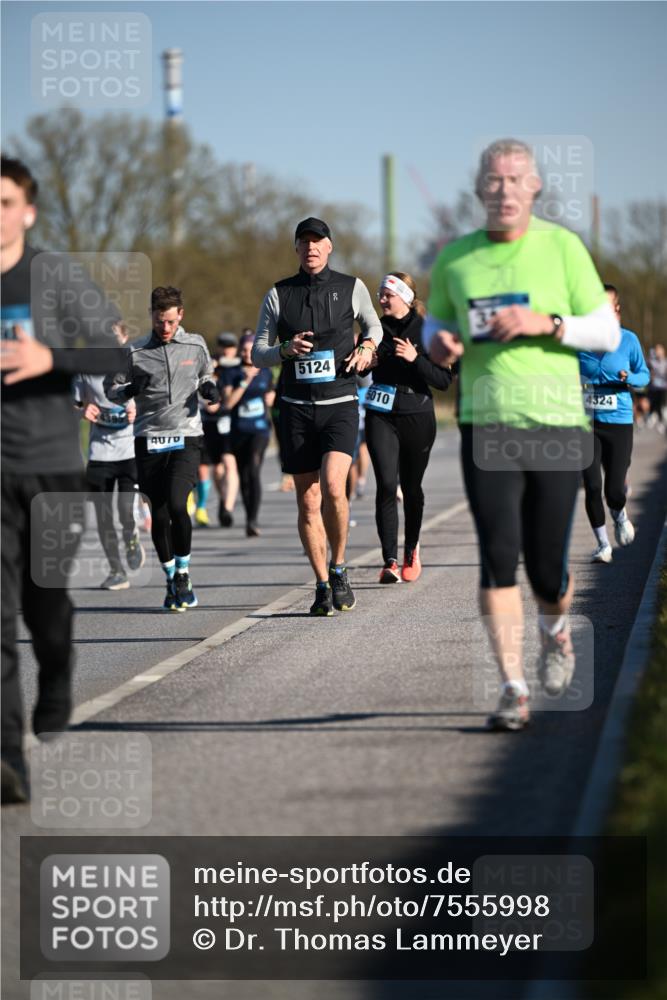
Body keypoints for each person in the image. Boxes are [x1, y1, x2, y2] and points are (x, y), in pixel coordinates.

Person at [425, 138, 620, 731]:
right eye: (494, 179)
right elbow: (437, 319)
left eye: (516, 179)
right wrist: (439, 340)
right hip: (487, 423)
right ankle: (513, 688)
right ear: (479, 189)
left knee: (547, 570)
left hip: (558, 423)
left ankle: (555, 630)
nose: (504, 189)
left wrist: (549, 323)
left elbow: (607, 333)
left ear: (535, 187)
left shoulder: (562, 248)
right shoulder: (456, 258)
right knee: (497, 557)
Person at [1, 156, 126, 803]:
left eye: (4, 203)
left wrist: (51, 357)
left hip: (49, 470)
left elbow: (114, 351)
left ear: (28, 211)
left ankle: (57, 670)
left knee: (43, 606)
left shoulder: (52, 275)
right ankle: (7, 765)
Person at [252, 216, 382, 615]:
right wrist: (285, 351)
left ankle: (340, 565)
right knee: (308, 502)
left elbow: (374, 326)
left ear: (329, 247)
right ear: (295, 249)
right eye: (303, 242)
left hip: (340, 404)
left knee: (333, 487)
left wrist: (367, 349)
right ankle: (323, 584)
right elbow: (258, 353)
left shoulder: (352, 286)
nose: (311, 248)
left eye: (317, 242)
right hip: (295, 410)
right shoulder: (278, 294)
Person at [105, 286, 219, 612]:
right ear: (152, 318)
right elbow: (111, 391)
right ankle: (170, 578)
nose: (165, 328)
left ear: (180, 315)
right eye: (159, 321)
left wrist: (208, 387)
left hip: (186, 435)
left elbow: (205, 372)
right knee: (158, 512)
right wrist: (129, 389)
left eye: (169, 321)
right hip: (148, 437)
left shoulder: (195, 344)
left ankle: (183, 573)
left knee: (178, 503)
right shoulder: (135, 351)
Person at [365, 272, 453, 583]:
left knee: (412, 488)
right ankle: (389, 560)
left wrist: (416, 359)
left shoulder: (428, 330)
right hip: (380, 414)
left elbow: (443, 380)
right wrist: (364, 362)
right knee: (387, 485)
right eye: (379, 294)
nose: (381, 299)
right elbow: (355, 362)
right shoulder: (373, 329)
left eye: (387, 294)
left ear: (405, 297)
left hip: (417, 414)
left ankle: (411, 549)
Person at [579, 284, 649, 563]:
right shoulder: (580, 342)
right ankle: (602, 544)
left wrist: (628, 378)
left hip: (619, 422)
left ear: (616, 310)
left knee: (615, 490)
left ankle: (619, 514)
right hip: (586, 423)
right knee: (592, 485)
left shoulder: (629, 341)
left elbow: (644, 376)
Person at [74, 322, 146, 589]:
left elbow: (155, 396)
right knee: (103, 516)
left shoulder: (136, 363)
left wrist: (138, 409)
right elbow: (74, 401)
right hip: (99, 452)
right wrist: (82, 409)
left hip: (129, 450)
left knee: (124, 510)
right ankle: (117, 571)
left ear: (124, 338)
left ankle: (131, 535)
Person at [225, 331, 274, 536]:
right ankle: (249, 518)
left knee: (253, 469)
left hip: (260, 430)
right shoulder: (232, 373)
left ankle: (253, 520)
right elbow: (228, 403)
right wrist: (244, 382)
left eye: (250, 350)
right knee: (244, 477)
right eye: (243, 350)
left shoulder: (265, 371)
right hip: (238, 432)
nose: (246, 353)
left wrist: (270, 396)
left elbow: (270, 397)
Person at [197, 331, 241, 527]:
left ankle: (227, 507)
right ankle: (223, 499)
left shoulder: (238, 367)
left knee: (229, 463)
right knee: (217, 469)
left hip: (231, 423)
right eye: (223, 346)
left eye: (230, 347)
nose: (227, 350)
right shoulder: (212, 365)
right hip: (209, 423)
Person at [647, 343, 667, 432]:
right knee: (653, 402)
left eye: (659, 350)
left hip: (663, 387)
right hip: (654, 387)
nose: (658, 352)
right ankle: (654, 416)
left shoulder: (665, 362)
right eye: (656, 350)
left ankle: (661, 421)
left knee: (661, 403)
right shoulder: (652, 362)